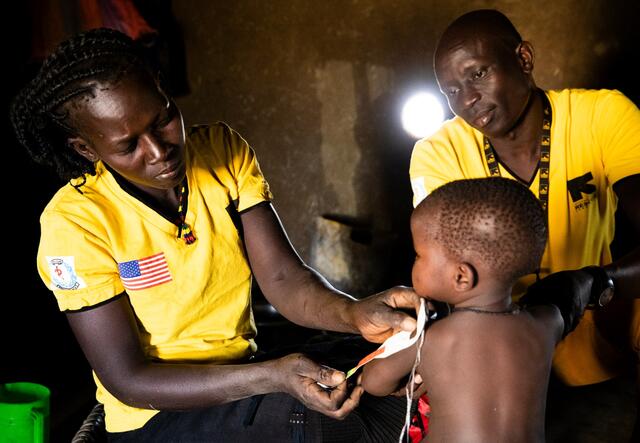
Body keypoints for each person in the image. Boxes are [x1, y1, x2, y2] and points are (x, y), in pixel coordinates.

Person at [10, 28, 420, 441]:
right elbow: (128, 380)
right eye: (129, 145)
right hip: (156, 418)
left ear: (164, 89)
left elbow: (283, 280)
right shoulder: (76, 222)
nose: (158, 151)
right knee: (317, 418)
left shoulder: (223, 153)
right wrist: (271, 377)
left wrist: (354, 314)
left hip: (243, 378)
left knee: (388, 364)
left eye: (163, 119)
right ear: (87, 149)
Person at [409, 9, 640, 438]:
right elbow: (446, 275)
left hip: (602, 335)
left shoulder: (603, 115)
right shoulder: (438, 153)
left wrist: (596, 282)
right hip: (498, 358)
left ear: (524, 58)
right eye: (452, 90)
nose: (467, 100)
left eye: (477, 74)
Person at [362, 177, 595, 442]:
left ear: (462, 277)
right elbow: (572, 297)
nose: (414, 262)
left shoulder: (436, 337)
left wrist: (394, 347)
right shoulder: (547, 323)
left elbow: (374, 383)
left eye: (419, 255)